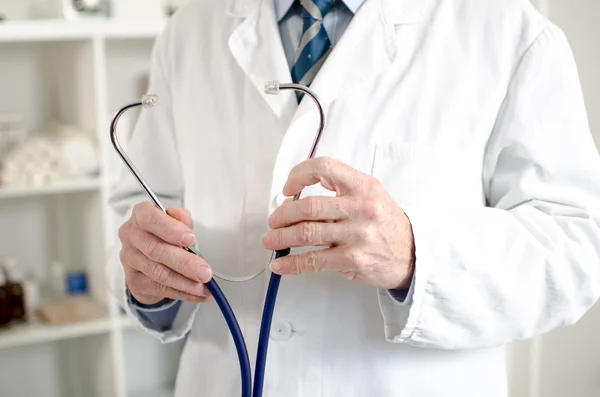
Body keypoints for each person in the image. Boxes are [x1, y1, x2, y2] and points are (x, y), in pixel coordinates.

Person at [106, 0, 600, 396]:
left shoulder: (507, 31)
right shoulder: (189, 32)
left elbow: (578, 250)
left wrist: (416, 252)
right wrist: (144, 280)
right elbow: (134, 214)